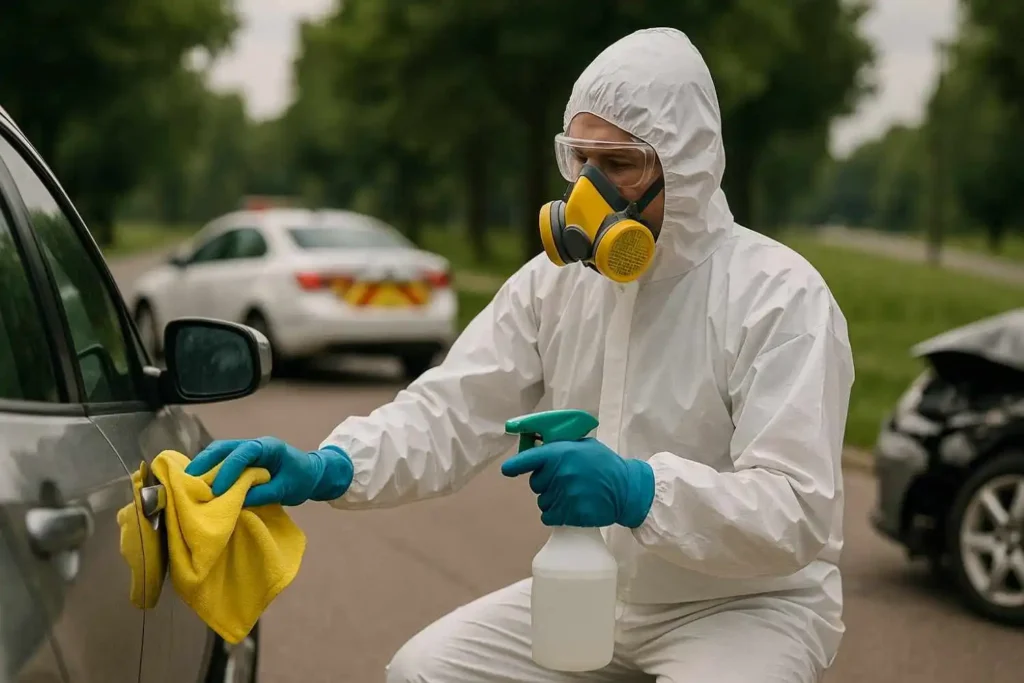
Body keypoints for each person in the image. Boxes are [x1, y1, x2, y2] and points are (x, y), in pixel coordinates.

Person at [186, 27, 854, 683]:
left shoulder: (777, 296)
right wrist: (329, 466)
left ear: (687, 167)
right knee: (425, 671)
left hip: (746, 607)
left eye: (618, 164)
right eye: (581, 160)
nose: (590, 191)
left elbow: (795, 508)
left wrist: (642, 490)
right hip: (601, 590)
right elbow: (450, 411)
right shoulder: (554, 284)